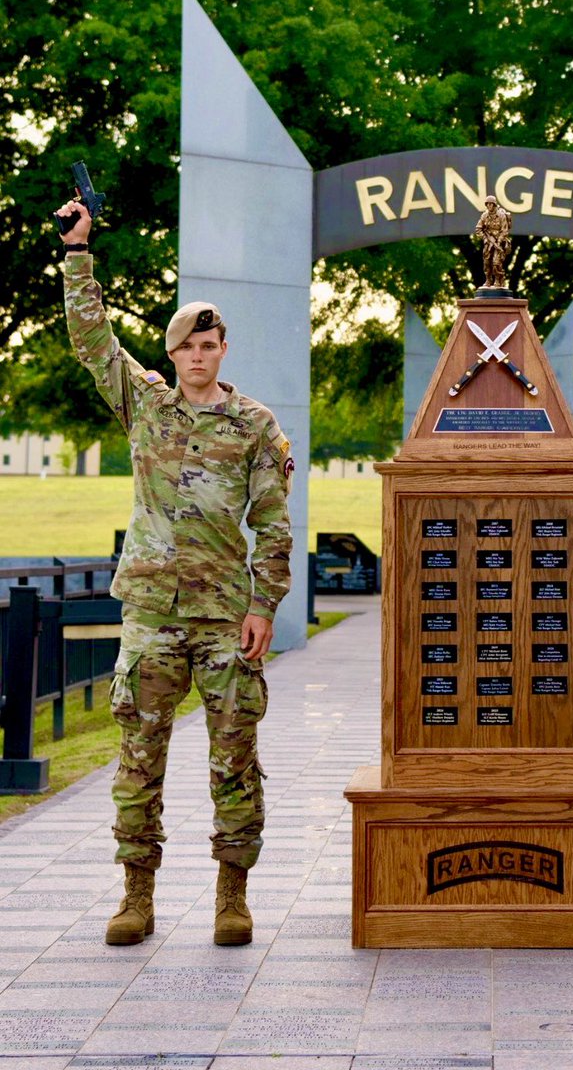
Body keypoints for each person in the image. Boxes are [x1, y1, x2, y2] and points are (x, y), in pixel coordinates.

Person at [54, 198, 293, 948]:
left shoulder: (255, 426)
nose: (197, 357)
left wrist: (265, 605)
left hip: (225, 618)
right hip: (152, 616)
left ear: (223, 351)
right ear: (172, 353)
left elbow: (273, 523)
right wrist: (78, 253)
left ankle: (232, 898)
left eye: (209, 345)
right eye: (187, 347)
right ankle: (136, 896)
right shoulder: (145, 406)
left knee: (235, 760)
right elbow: (92, 339)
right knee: (137, 760)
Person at [473, 193, 512, 288]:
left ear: (494, 204)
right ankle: (488, 279)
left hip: (499, 242)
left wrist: (498, 241)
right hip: (488, 242)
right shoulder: (484, 215)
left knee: (496, 263)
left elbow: (505, 231)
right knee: (486, 262)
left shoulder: (501, 215)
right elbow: (478, 229)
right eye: (487, 204)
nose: (489, 206)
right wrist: (485, 238)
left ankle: (498, 280)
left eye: (491, 204)